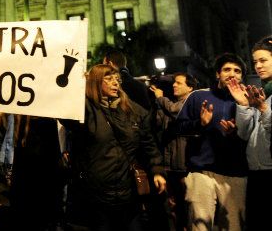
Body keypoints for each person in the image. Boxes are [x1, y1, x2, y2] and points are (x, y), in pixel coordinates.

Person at [64, 63, 166, 231]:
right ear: (95, 82)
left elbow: (149, 143)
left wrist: (157, 170)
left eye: (117, 79)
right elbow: (65, 113)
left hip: (129, 194)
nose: (115, 83)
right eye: (109, 79)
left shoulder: (133, 110)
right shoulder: (84, 110)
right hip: (96, 195)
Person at [177, 53, 249, 231]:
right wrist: (200, 124)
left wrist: (235, 133)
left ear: (241, 76)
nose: (232, 74)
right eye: (227, 70)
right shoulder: (198, 97)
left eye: (237, 71)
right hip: (202, 171)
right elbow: (177, 128)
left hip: (235, 173)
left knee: (235, 226)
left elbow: (254, 134)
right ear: (218, 74)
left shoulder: (247, 99)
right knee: (199, 225)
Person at [229, 36, 272, 231]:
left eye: (263, 60)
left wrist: (263, 108)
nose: (258, 66)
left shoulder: (263, 98)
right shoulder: (260, 91)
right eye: (255, 62)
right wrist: (244, 106)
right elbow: (245, 134)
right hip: (255, 172)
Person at [150, 72, 197, 231]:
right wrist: (157, 104)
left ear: (190, 87)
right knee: (173, 207)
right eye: (174, 83)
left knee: (188, 206)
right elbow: (157, 123)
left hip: (185, 166)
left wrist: (160, 98)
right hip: (170, 165)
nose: (174, 85)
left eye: (178, 83)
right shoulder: (168, 104)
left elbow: (175, 111)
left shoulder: (191, 102)